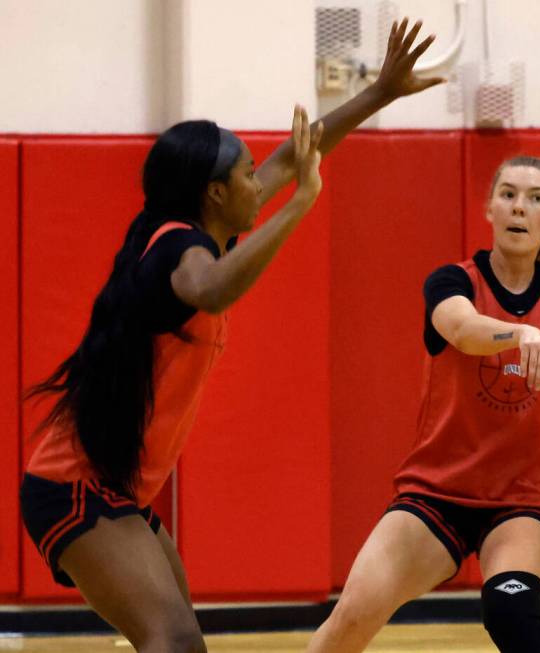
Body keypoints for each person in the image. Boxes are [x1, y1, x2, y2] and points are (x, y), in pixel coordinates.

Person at [19, 19, 442, 653]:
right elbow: (211, 288)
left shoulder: (201, 227)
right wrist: (301, 204)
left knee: (182, 644)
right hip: (75, 484)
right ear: (215, 193)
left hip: (113, 486)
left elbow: (296, 153)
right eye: (248, 175)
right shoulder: (180, 251)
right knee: (175, 642)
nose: (259, 182)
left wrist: (380, 92)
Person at [306, 156, 540, 653]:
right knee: (349, 621)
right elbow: (462, 329)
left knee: (511, 614)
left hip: (521, 500)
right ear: (490, 208)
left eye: (537, 198)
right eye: (509, 194)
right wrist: (519, 332)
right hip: (436, 494)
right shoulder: (453, 282)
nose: (521, 206)